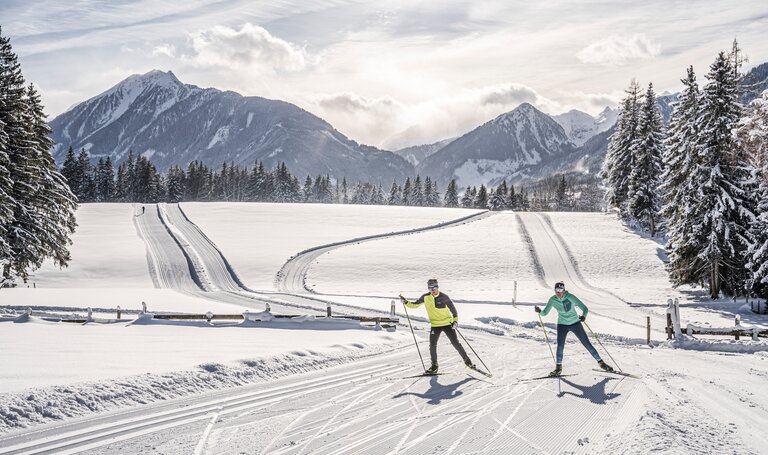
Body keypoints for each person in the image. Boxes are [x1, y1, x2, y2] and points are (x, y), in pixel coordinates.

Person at [535, 281, 614, 376]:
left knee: (587, 344)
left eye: (560, 290)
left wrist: (584, 316)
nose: (558, 293)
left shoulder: (570, 297)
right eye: (556, 290)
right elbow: (544, 313)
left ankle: (601, 363)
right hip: (562, 325)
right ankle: (558, 368)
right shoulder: (552, 300)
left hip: (575, 323)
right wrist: (539, 311)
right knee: (560, 346)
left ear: (564, 290)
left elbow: (584, 308)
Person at [400, 278, 475, 374]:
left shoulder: (444, 297)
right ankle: (434, 366)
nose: (432, 290)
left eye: (434, 288)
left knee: (455, 343)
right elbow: (414, 305)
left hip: (448, 324)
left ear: (437, 287)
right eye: (430, 288)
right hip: (435, 325)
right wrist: (406, 302)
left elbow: (453, 309)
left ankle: (468, 361)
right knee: (432, 345)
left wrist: (455, 321)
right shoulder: (425, 297)